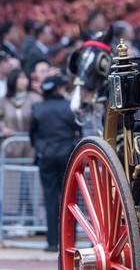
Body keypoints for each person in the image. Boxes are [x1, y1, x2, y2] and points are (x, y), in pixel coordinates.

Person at [30, 75, 82, 252]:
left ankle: (52, 242)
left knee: (50, 199)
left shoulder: (38, 108)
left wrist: (41, 149)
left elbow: (32, 135)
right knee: (70, 200)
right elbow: (78, 131)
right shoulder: (69, 107)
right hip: (68, 157)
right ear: (60, 88)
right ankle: (69, 242)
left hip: (46, 157)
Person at [0, 69, 43, 156]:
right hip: (10, 148)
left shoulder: (35, 99)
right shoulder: (3, 101)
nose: (24, 81)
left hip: (31, 147)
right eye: (20, 78)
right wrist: (2, 128)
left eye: (25, 78)